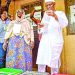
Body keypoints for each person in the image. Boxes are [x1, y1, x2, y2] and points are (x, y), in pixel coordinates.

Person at [36, 0, 68, 75]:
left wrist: (55, 16)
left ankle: (55, 73)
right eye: (47, 5)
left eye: (50, 4)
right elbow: (43, 29)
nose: (48, 6)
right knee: (42, 60)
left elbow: (64, 24)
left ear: (54, 4)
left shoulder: (60, 13)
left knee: (54, 61)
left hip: (55, 40)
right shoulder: (45, 15)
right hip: (45, 40)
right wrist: (40, 27)